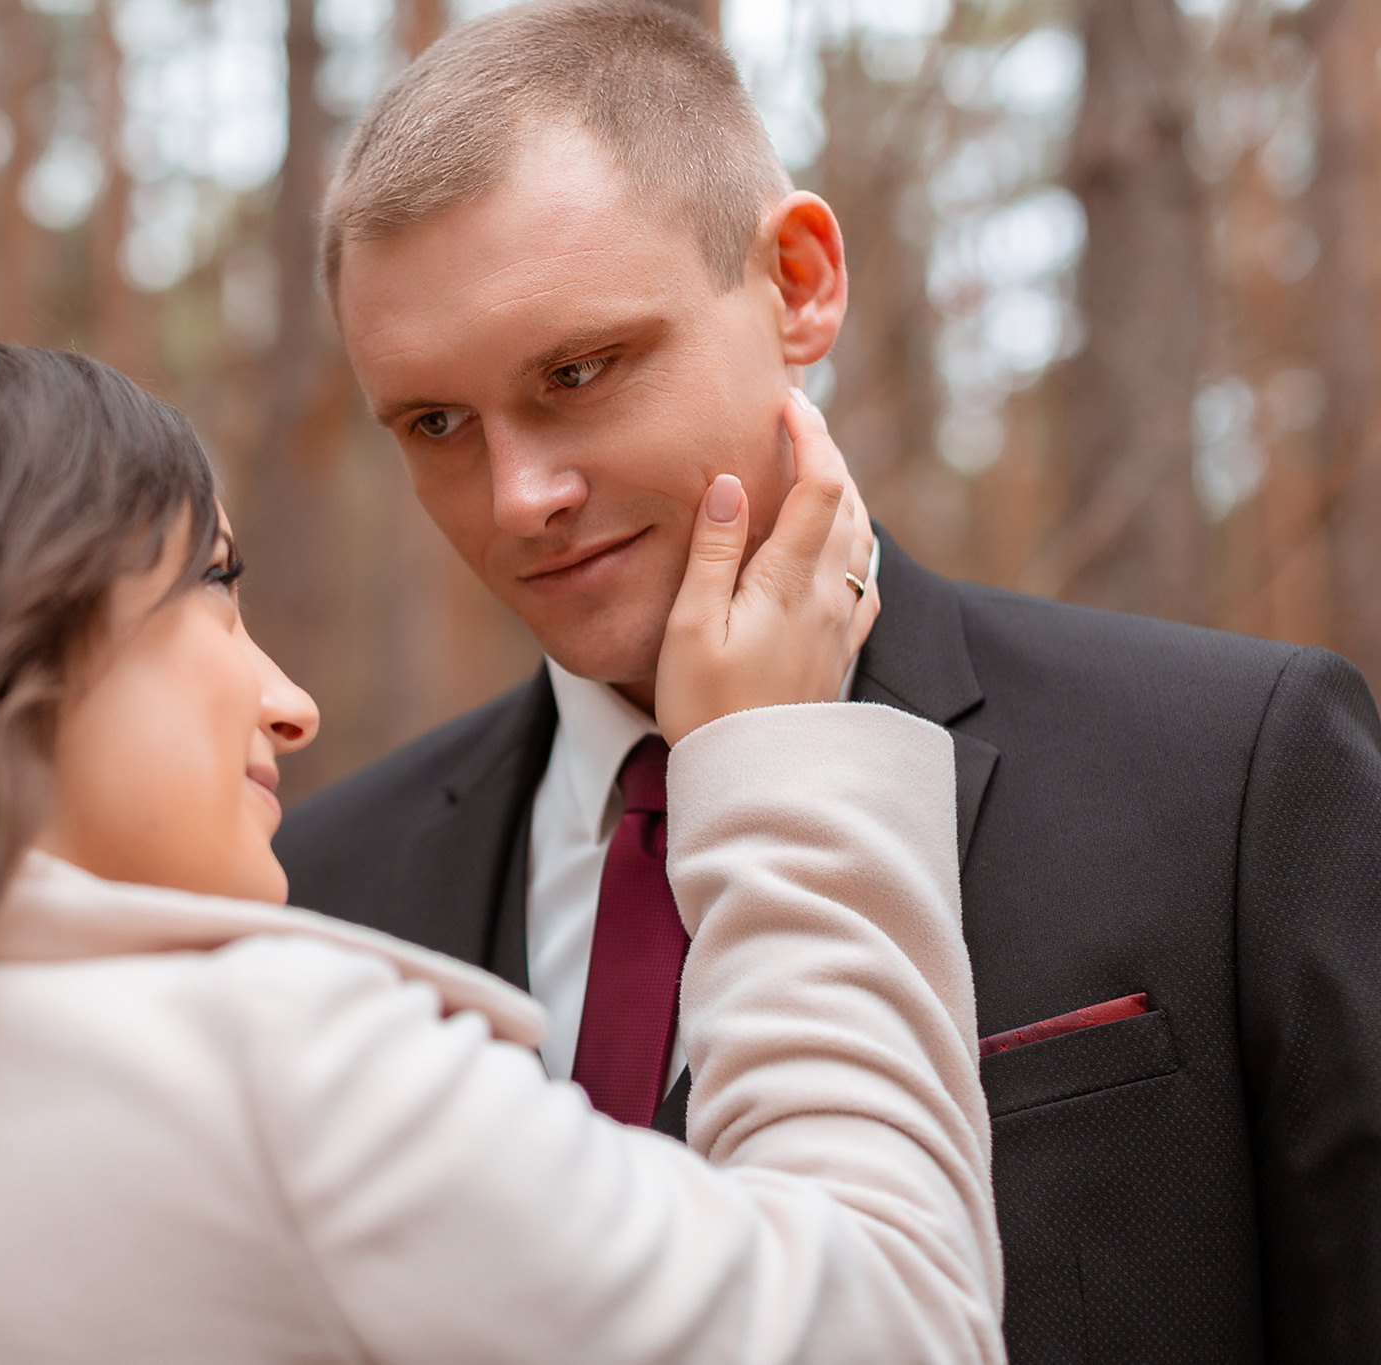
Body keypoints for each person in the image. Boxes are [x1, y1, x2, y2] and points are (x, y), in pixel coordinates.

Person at [0, 327, 1001, 1362]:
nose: (289, 704)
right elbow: (901, 1328)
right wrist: (772, 767)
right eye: (211, 587)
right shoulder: (267, 1079)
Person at [273, 3, 1381, 1362]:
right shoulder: (320, 898)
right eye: (436, 424)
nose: (518, 500)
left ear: (797, 283)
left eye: (578, 371)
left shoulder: (1237, 778)